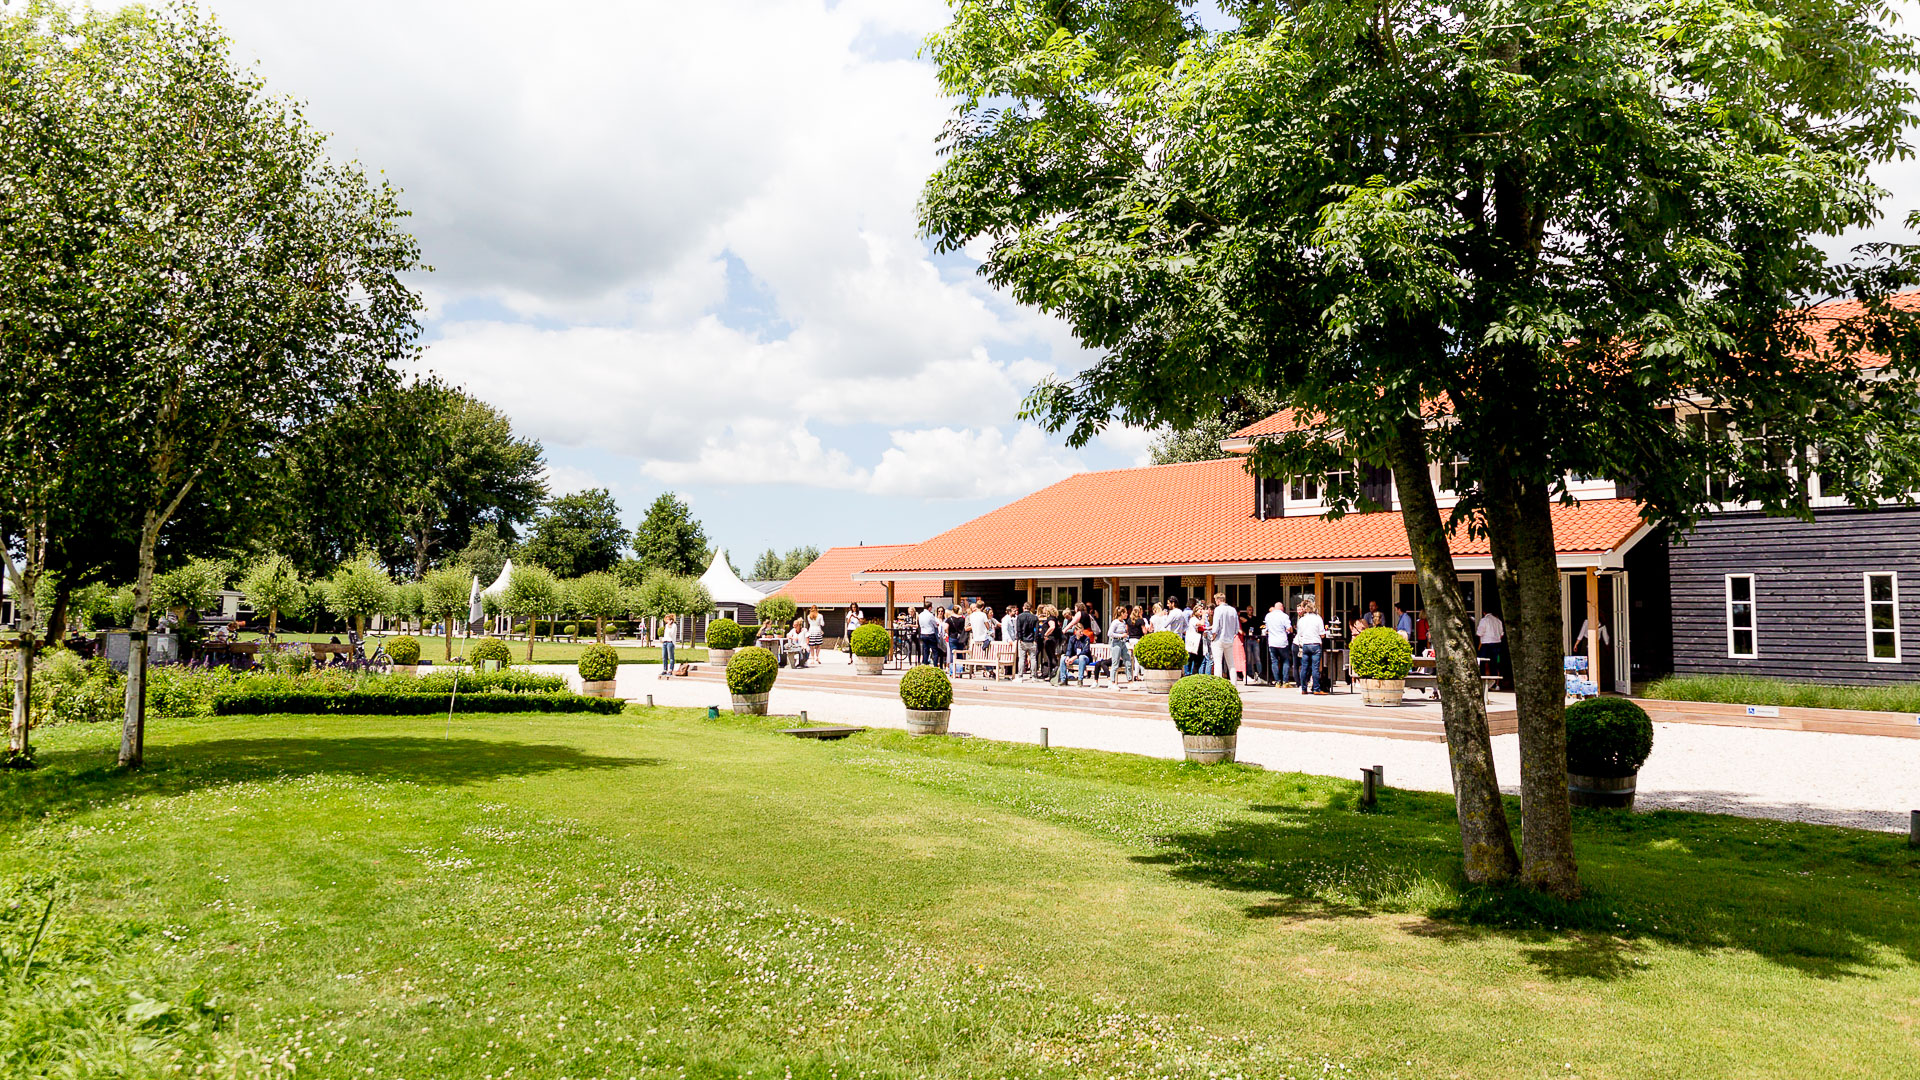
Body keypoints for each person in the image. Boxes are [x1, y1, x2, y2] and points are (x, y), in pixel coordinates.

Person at [1294, 598, 1326, 694]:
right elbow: (1322, 634)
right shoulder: (1318, 618)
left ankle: (1303, 688)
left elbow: (1299, 634)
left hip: (1305, 644)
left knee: (1304, 667)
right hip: (1315, 644)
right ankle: (1316, 689)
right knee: (1315, 668)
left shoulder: (1302, 620)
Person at [1210, 593, 1241, 683]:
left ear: (1218, 600)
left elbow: (1215, 627)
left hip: (1219, 639)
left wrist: (1213, 637)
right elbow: (1236, 628)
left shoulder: (1218, 610)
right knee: (1231, 664)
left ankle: (1218, 685)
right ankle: (1234, 684)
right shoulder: (1233, 610)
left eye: (1216, 600)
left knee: (1218, 663)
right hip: (1230, 639)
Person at [1264, 600, 1293, 687]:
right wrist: (1291, 630)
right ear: (1281, 608)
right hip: (1282, 641)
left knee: (1274, 662)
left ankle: (1277, 681)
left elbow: (1266, 628)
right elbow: (1289, 628)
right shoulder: (1284, 616)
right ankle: (1285, 682)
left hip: (1272, 641)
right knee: (1286, 661)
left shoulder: (1268, 616)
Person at [1476, 609, 1506, 684]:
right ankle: (1495, 682)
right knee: (1494, 662)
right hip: (1497, 643)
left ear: (1484, 612)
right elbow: (1501, 634)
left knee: (1483, 661)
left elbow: (1479, 633)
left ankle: (1482, 680)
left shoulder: (1484, 620)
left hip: (1486, 643)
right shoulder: (1498, 621)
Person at [1107, 608, 1132, 686]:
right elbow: (1110, 633)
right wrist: (1121, 635)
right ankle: (1113, 682)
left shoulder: (1123, 622)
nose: (1127, 614)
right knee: (1115, 663)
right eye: (1125, 613)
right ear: (1121, 614)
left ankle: (1130, 681)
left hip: (1123, 643)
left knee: (1128, 661)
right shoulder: (1115, 622)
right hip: (1116, 643)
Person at [917, 603, 941, 668]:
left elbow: (919, 623)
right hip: (930, 633)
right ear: (929, 608)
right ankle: (935, 665)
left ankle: (925, 665)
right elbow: (935, 624)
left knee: (925, 650)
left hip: (923, 633)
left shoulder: (920, 615)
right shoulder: (930, 615)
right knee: (935, 651)